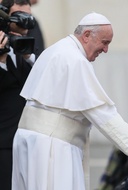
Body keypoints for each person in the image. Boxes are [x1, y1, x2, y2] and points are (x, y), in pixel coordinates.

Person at [11, 12, 128, 190]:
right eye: (105, 42)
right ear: (87, 35)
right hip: (52, 148)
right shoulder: (75, 60)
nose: (105, 50)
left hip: (32, 142)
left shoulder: (55, 50)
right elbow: (103, 114)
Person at [0, 0, 36, 189]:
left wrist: (28, 56)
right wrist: (1, 61)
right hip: (3, 141)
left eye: (29, 17)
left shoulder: (31, 41)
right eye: (19, 17)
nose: (26, 23)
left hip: (26, 139)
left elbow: (44, 75)